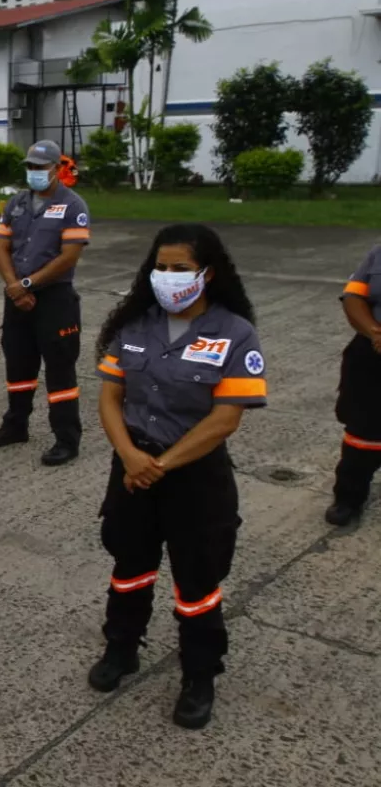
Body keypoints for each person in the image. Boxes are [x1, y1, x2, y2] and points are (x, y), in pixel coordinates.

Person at [89, 224, 265, 730]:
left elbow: (225, 419)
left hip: (193, 475)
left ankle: (199, 674)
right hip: (132, 466)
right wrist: (129, 456)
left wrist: (160, 466)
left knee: (197, 580)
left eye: (180, 268)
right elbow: (109, 397)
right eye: (160, 268)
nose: (167, 277)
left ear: (208, 274)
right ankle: (121, 648)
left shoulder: (234, 333)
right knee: (130, 566)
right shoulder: (134, 325)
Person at [0, 140, 91, 467]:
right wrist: (14, 287)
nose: (35, 173)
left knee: (59, 368)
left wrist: (27, 284)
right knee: (18, 363)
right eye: (30, 167)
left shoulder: (73, 206)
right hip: (16, 296)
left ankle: (66, 438)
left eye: (41, 167)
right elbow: (2, 247)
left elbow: (69, 255)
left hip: (55, 297)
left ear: (57, 169)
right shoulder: (16, 203)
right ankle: (16, 424)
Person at [326, 245, 381, 526]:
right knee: (362, 431)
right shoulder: (378, 253)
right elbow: (353, 296)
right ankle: (349, 497)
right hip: (374, 351)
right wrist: (374, 331)